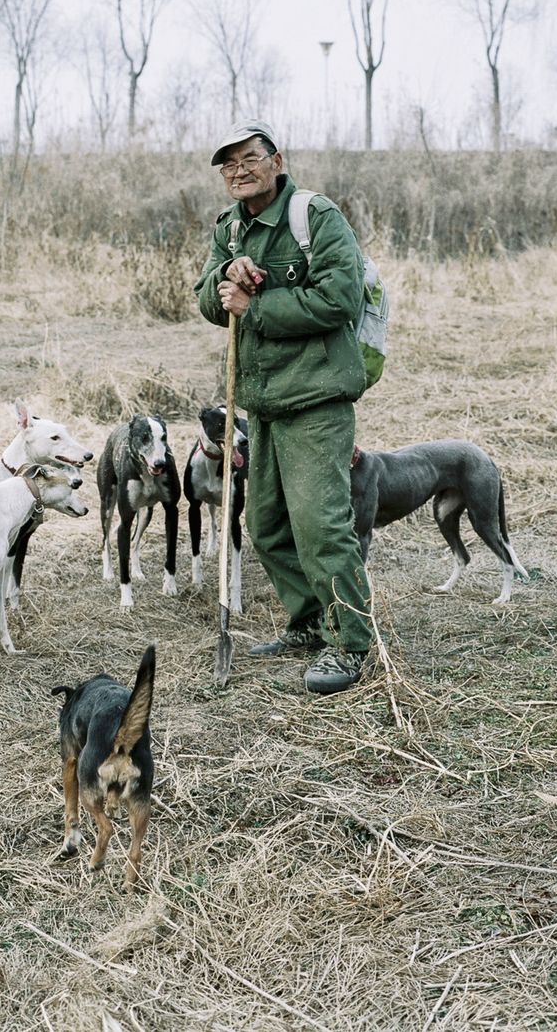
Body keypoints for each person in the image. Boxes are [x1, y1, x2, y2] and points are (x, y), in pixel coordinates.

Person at [194, 123, 375, 693]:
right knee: (267, 526)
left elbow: (339, 299)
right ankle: (308, 624)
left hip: (316, 398)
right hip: (265, 404)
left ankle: (351, 644)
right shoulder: (229, 228)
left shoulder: (314, 217)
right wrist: (226, 276)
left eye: (249, 159)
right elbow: (206, 299)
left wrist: (257, 304)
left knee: (320, 526)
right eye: (228, 166)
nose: (239, 171)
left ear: (276, 161)